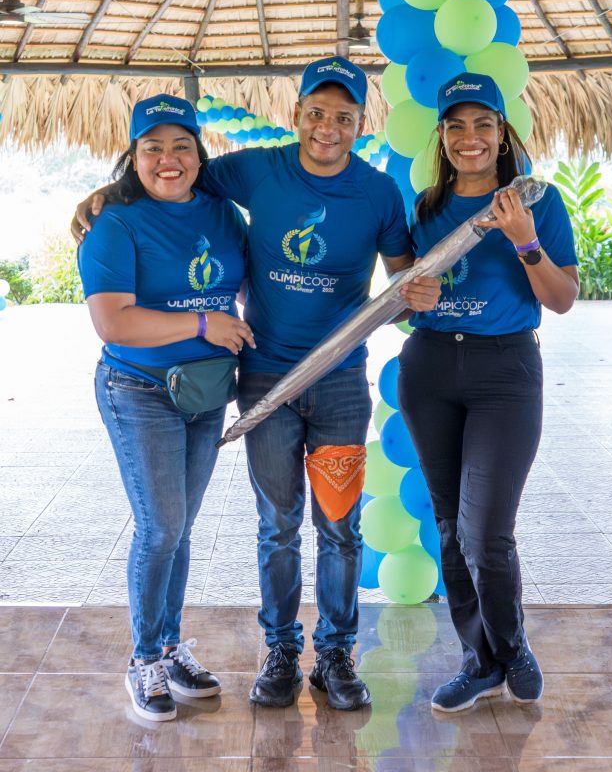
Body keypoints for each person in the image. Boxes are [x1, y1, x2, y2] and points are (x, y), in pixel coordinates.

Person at [73, 58, 440, 712]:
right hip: (261, 379)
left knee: (339, 526)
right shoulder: (253, 170)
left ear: (361, 123)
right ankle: (277, 653)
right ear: (296, 114)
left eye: (343, 116)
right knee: (272, 526)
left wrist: (416, 297)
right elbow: (165, 177)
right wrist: (102, 196)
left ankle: (335, 655)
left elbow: (401, 285)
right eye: (316, 112)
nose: (327, 127)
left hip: (339, 383)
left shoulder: (379, 193)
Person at [397, 72, 579, 713]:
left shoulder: (537, 200)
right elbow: (402, 303)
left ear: (503, 134)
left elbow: (562, 299)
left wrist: (525, 240)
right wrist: (411, 299)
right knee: (450, 527)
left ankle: (512, 647)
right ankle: (478, 663)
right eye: (456, 125)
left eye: (482, 124)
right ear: (441, 136)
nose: (468, 137)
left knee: (486, 531)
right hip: (428, 371)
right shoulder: (424, 207)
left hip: (505, 372)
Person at [77, 94, 254, 722]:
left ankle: (171, 647)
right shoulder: (115, 224)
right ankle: (144, 658)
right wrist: (203, 321)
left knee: (179, 529)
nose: (168, 159)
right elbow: (114, 323)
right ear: (134, 156)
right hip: (139, 390)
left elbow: (249, 284)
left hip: (204, 391)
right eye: (152, 147)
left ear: (200, 155)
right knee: (160, 528)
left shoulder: (223, 213)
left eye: (181, 146)